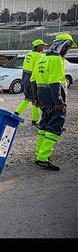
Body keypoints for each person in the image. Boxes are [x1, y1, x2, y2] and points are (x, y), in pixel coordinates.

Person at [31, 33, 76, 171]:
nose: (67, 51)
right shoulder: (56, 60)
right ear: (64, 46)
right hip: (53, 98)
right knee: (55, 127)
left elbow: (33, 80)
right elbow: (55, 82)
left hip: (43, 97)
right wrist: (59, 101)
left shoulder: (42, 59)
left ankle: (39, 153)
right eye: (67, 48)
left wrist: (36, 98)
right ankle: (43, 158)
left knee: (44, 125)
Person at [15, 39, 48, 125]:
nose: (43, 47)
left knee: (27, 98)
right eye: (42, 45)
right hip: (33, 81)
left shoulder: (28, 54)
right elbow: (38, 70)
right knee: (35, 100)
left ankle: (17, 112)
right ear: (37, 46)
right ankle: (35, 120)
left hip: (26, 80)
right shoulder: (39, 56)